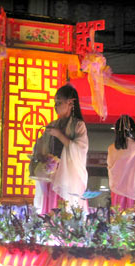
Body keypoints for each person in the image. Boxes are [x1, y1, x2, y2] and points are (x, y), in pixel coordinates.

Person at [31, 84, 88, 214]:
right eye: (55, 103)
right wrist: (40, 155)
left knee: (65, 210)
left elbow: (80, 149)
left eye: (59, 102)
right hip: (50, 175)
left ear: (70, 103)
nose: (55, 106)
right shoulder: (52, 125)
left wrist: (59, 135)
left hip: (68, 177)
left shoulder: (78, 125)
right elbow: (40, 146)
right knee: (48, 211)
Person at [106, 114, 135, 218]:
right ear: (134, 129)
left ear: (116, 130)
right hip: (134, 192)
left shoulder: (111, 148)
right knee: (133, 225)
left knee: (118, 221)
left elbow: (110, 168)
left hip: (116, 191)